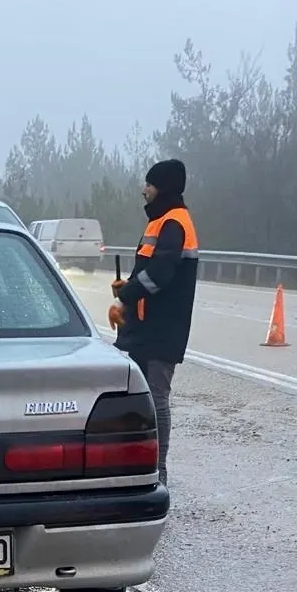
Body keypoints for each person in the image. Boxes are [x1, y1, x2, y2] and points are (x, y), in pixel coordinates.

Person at [108, 158, 198, 486]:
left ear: (162, 187)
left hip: (163, 328)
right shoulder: (159, 222)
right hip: (145, 327)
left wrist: (127, 297)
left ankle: (158, 472)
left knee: (157, 397)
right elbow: (147, 269)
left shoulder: (174, 222)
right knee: (139, 396)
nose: (143, 189)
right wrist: (127, 289)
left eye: (148, 184)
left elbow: (161, 273)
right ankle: (135, 466)